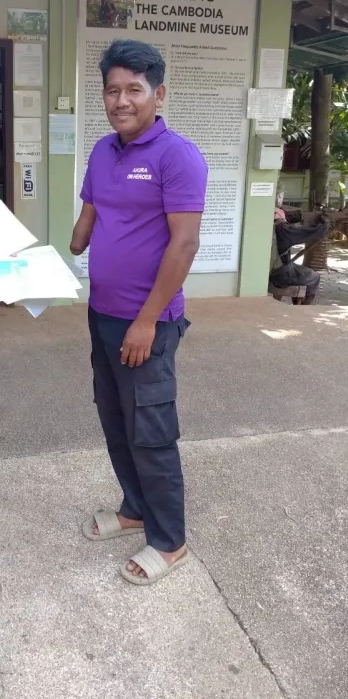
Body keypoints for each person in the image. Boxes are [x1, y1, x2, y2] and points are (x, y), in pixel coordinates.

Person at [70, 39, 208, 587]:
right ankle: (133, 509)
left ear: (158, 94)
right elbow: (86, 222)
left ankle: (169, 540)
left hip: (146, 322)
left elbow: (184, 245)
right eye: (112, 90)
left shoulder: (178, 156)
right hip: (101, 313)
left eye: (134, 89)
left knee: (150, 430)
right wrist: (56, 248)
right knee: (115, 419)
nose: (121, 100)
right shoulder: (103, 151)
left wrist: (147, 321)